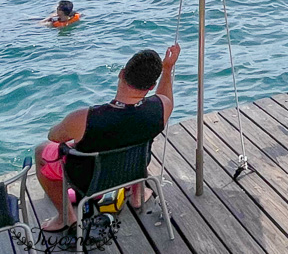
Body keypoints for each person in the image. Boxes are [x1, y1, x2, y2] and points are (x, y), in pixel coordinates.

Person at [35, 43, 180, 230]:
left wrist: (75, 136)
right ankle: (138, 194)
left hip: (88, 180)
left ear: (121, 73)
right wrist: (167, 69)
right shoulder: (160, 108)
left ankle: (65, 218)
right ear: (151, 86)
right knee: (135, 136)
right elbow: (165, 97)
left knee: (41, 151)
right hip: (133, 170)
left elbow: (54, 136)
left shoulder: (84, 118)